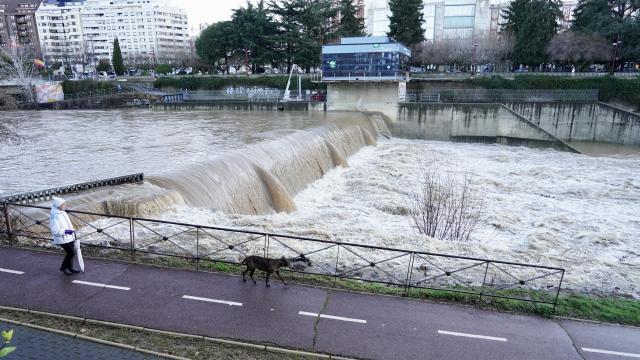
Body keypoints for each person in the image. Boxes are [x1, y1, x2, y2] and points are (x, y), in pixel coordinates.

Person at [49, 197, 80, 275]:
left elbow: (68, 224)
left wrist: (72, 233)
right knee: (71, 253)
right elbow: (55, 231)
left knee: (70, 252)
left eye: (65, 204)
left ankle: (71, 268)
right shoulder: (54, 215)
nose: (65, 205)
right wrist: (65, 231)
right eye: (63, 204)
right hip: (62, 238)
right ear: (58, 205)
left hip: (69, 236)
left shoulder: (63, 212)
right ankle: (63, 267)